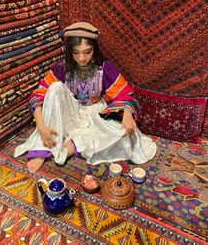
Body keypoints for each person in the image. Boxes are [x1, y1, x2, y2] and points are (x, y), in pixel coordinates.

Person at [14, 22, 157, 173]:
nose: (81, 58)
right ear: (69, 52)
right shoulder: (61, 67)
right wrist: (41, 126)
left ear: (94, 49)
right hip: (69, 112)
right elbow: (38, 94)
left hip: (96, 113)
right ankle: (44, 147)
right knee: (55, 88)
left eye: (87, 52)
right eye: (76, 53)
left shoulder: (105, 68)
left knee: (125, 135)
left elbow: (124, 94)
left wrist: (127, 114)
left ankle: (71, 145)